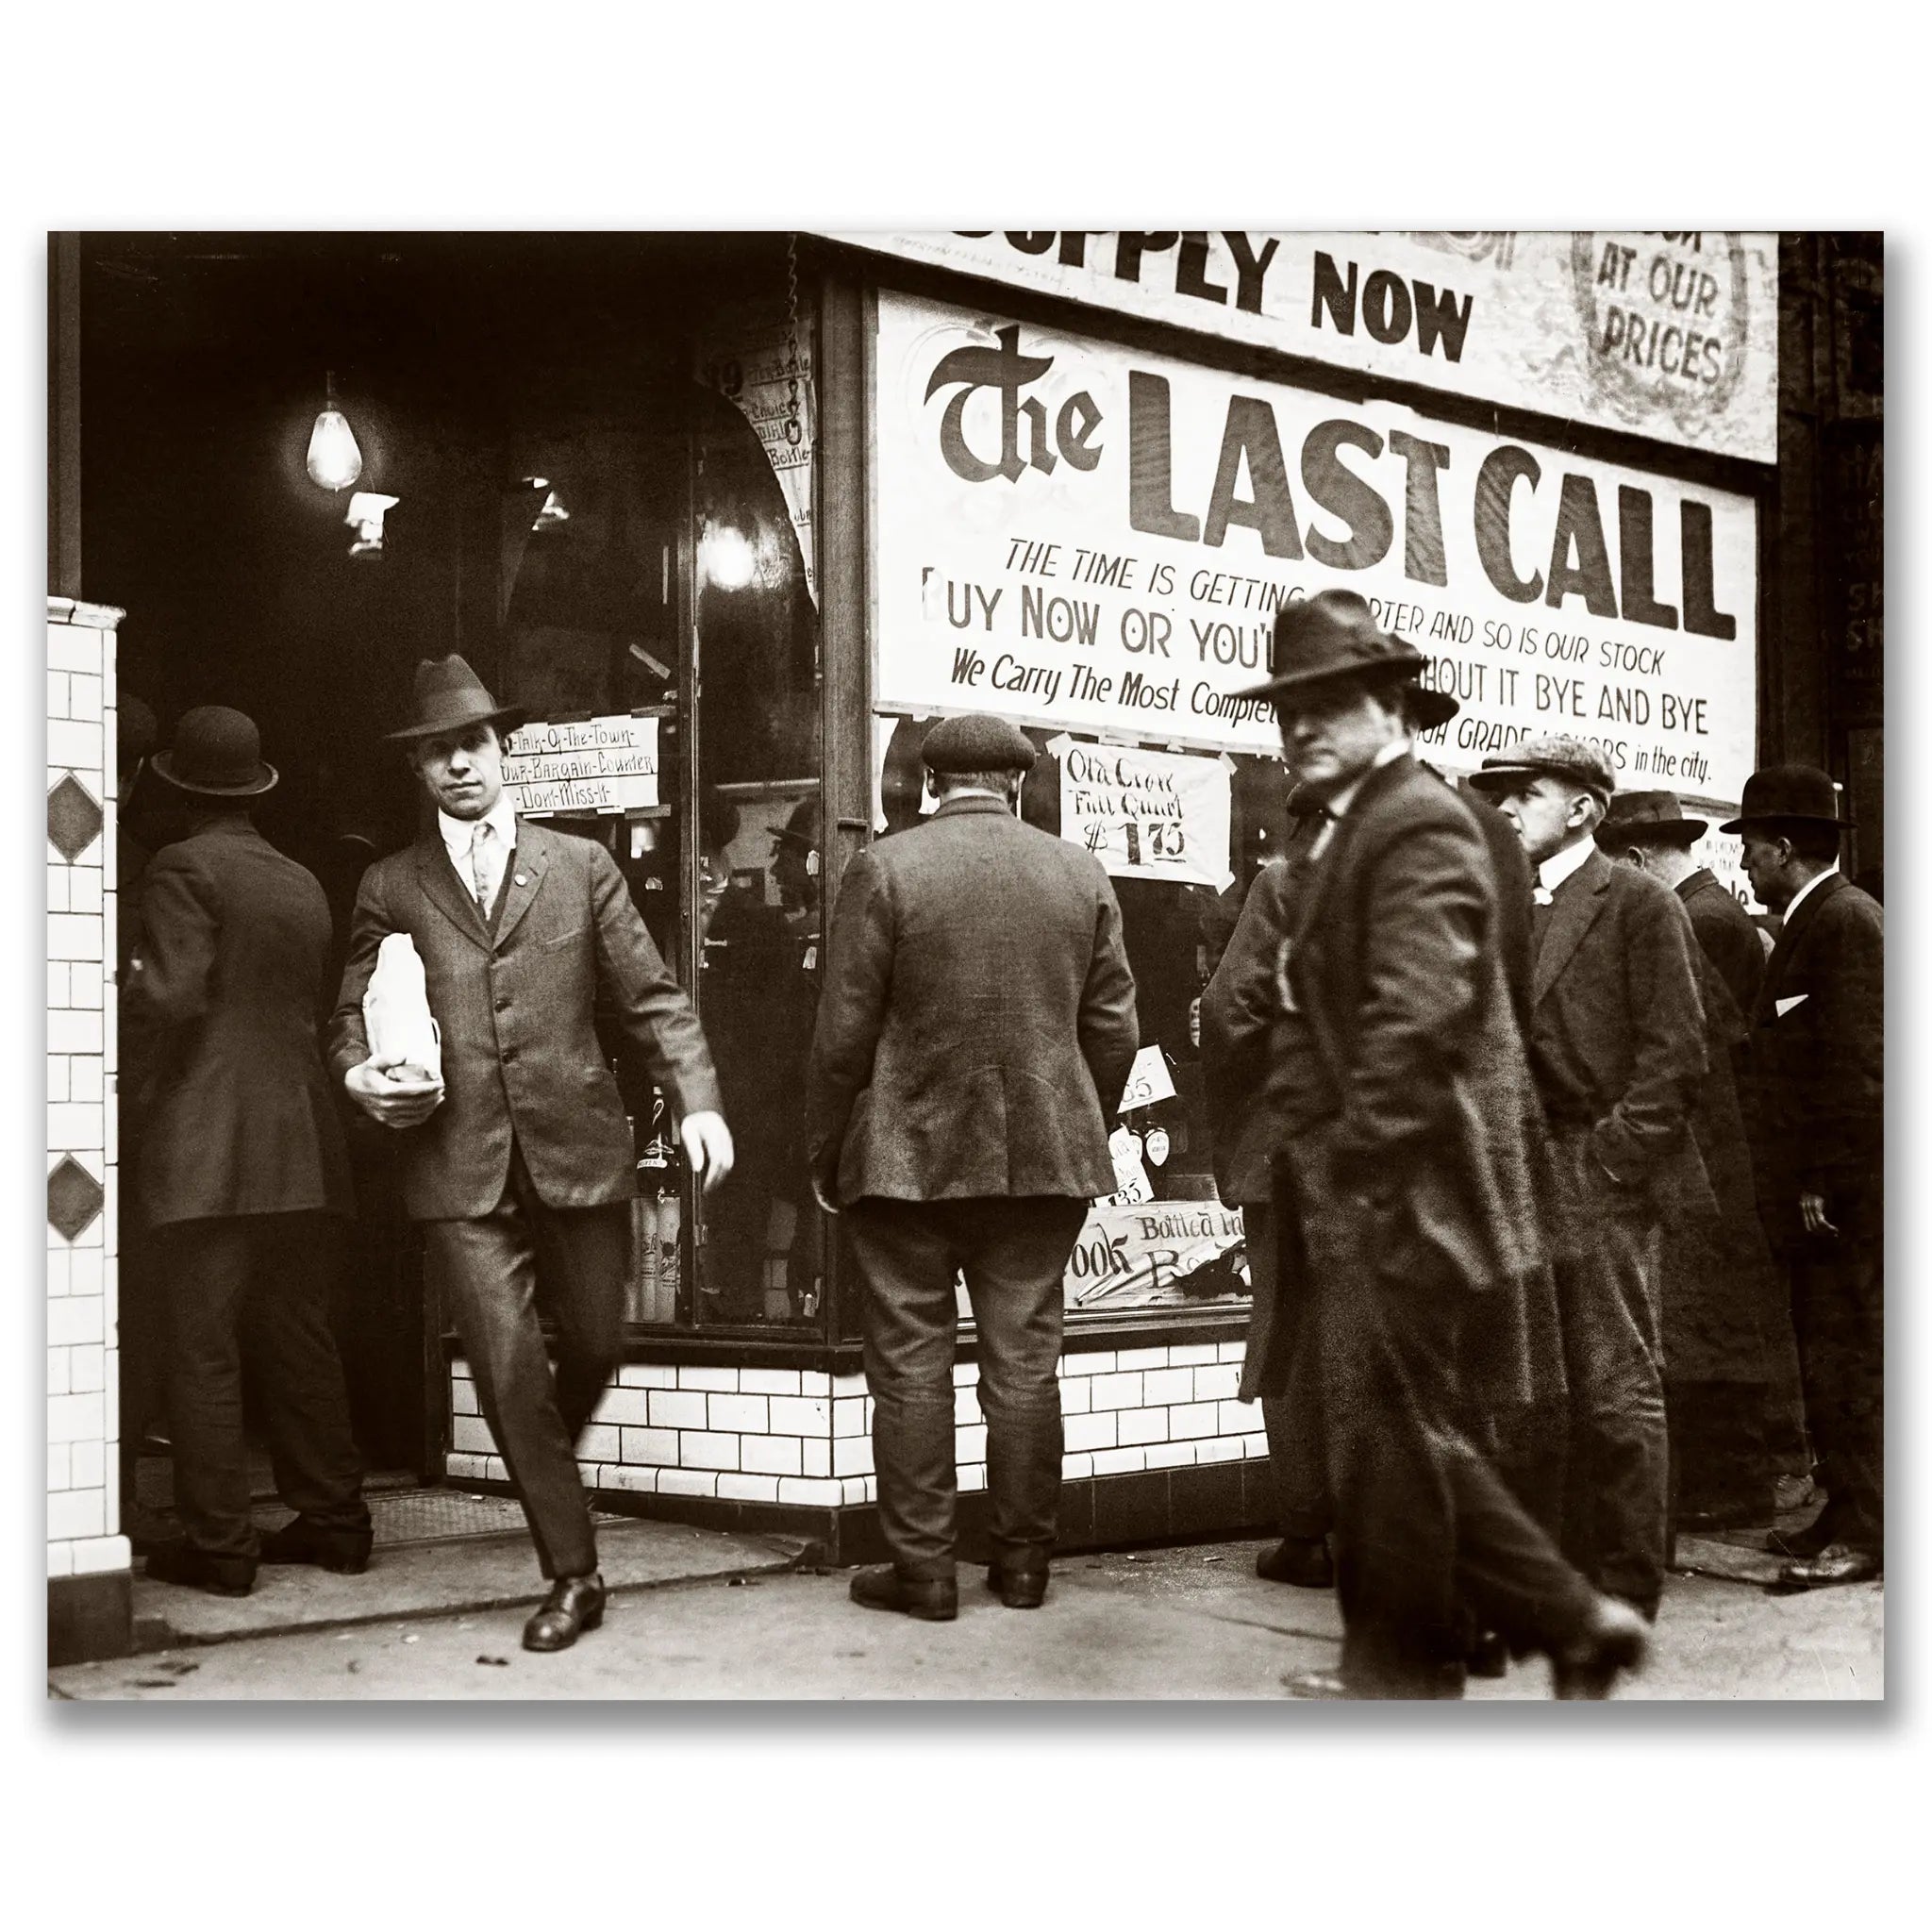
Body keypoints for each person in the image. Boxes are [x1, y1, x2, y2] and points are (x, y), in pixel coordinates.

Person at [1234, 592, 1647, 1698]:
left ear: (1387, 708)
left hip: (1411, 1182)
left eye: (1326, 708)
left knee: (1399, 1425)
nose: (1301, 732)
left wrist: (1353, 1161)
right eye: (1287, 714)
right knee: (1393, 1425)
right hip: (1397, 1177)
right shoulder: (1361, 823)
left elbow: (1419, 1010)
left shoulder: (1412, 820)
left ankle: (1518, 1632)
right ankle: (1470, 1643)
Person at [329, 655, 734, 1652]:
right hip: (454, 1161)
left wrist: (697, 1099)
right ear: (419, 770)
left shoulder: (580, 864)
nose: (457, 763)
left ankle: (537, 1453)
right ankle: (573, 1569)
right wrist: (357, 1075)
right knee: (509, 1368)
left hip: (576, 1147)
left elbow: (650, 997)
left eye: (470, 743)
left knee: (595, 1342)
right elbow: (349, 1014)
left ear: (500, 748)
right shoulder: (391, 882)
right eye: (436, 752)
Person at [807, 713, 1139, 1621]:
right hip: (1044, 1161)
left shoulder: (885, 867)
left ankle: (923, 1573)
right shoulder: (1079, 871)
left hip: (904, 1161)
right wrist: (1076, 1120)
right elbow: (1114, 1027)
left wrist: (825, 1146)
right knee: (1025, 1365)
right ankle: (1025, 1567)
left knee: (910, 1366)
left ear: (927, 785)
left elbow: (844, 1034)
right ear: (1019, 785)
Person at [125, 707, 370, 1597]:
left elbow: (179, 999)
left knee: (203, 1347)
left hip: (207, 1147)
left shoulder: (179, 865)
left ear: (176, 787)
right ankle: (338, 1522)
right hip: (304, 1143)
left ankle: (221, 1545)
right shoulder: (301, 879)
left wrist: (135, 1068)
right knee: (298, 1334)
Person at [1470, 739, 1708, 1625]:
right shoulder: (1500, 907)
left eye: (1524, 794)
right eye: (1497, 796)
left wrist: (1610, 1159)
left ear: (1583, 809)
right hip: (1513, 1176)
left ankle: (1629, 1581)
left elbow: (1678, 1056)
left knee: (1617, 1384)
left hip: (1598, 1176)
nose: (1504, 810)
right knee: (1528, 1388)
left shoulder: (1637, 903)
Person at [1594, 791, 1799, 1535]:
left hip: (1704, 1151)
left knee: (1711, 1325)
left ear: (1637, 859)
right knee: (1709, 1320)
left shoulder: (1693, 920)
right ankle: (1729, 1482)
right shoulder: (1708, 913)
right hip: (1710, 1147)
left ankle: (1735, 1485)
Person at [1725, 766, 1884, 1587]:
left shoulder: (1845, 923)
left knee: (1851, 1352)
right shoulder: (1814, 918)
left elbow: (1859, 1066)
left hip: (1846, 1195)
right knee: (1825, 1351)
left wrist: (1825, 1175)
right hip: (1820, 1193)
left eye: (1752, 848)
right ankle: (1845, 1507)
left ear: (1785, 849)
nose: (1745, 863)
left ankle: (1874, 1527)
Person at [1198, 793, 1333, 1589]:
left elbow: (1228, 1010)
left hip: (1297, 1157)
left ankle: (1310, 1533)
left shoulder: (1287, 884)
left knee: (1292, 1335)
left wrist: (1244, 1118)